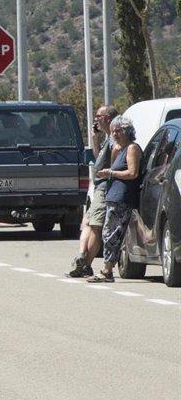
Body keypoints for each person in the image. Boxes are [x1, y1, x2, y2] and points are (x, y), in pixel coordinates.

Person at [87, 116, 142, 283]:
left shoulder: (132, 148)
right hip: (114, 197)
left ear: (127, 131)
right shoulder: (119, 148)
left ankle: (107, 270)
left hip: (122, 198)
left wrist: (110, 173)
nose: (115, 134)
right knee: (108, 233)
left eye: (118, 131)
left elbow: (132, 173)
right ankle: (107, 269)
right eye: (113, 132)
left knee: (113, 235)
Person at [66, 105, 118, 277]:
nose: (96, 119)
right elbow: (98, 160)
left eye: (98, 116)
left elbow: (110, 165)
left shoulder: (116, 139)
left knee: (95, 225)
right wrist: (95, 138)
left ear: (108, 118)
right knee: (87, 222)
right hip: (98, 187)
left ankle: (85, 263)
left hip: (105, 187)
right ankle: (82, 256)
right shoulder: (107, 139)